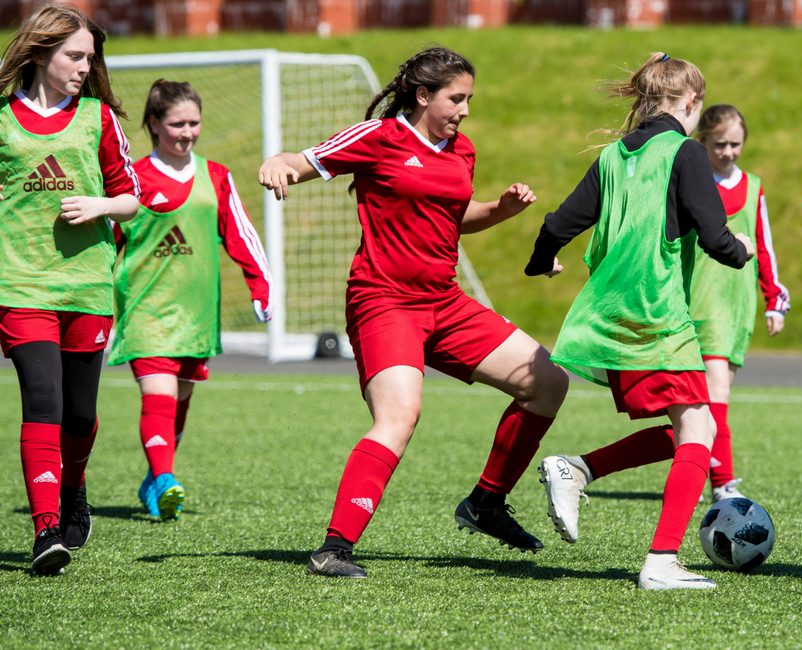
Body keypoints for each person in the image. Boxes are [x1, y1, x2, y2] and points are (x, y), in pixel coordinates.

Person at [258, 47, 568, 579]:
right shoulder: (376, 138)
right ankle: (334, 548)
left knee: (548, 382)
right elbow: (296, 161)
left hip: (445, 302)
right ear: (423, 96)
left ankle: (486, 504)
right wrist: (275, 165)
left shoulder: (461, 149)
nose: (465, 109)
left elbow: (453, 215)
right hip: (383, 300)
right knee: (399, 417)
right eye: (456, 98)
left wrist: (500, 210)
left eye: (469, 98)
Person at [526, 53, 753, 590]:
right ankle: (661, 561)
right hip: (657, 315)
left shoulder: (612, 156)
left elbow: (560, 222)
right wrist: (742, 250)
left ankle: (576, 469)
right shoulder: (685, 153)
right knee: (701, 428)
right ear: (692, 102)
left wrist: (542, 259)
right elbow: (717, 238)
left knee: (685, 433)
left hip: (611, 316)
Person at [0, 5, 140, 576]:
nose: (85, 67)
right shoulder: (2, 119)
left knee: (80, 417)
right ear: (40, 53)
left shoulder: (99, 119)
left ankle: (74, 484)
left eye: (89, 57)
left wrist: (101, 206)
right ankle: (46, 529)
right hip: (20, 283)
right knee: (43, 402)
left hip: (86, 286)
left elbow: (132, 196)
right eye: (74, 56)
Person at [108, 80, 272, 520]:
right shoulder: (132, 178)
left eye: (194, 123)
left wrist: (262, 284)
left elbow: (240, 233)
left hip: (196, 311)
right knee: (157, 396)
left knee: (178, 402)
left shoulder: (216, 175)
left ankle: (154, 479)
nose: (187, 132)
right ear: (154, 125)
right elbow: (106, 241)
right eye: (177, 123)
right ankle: (165, 479)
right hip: (145, 308)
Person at [687, 104, 790, 502]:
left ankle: (709, 472)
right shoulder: (691, 180)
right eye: (719, 144)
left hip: (734, 303)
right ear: (703, 141)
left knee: (715, 396)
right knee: (705, 397)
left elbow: (763, 245)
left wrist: (774, 299)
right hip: (696, 298)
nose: (728, 152)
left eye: (735, 144)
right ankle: (715, 478)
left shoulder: (753, 186)